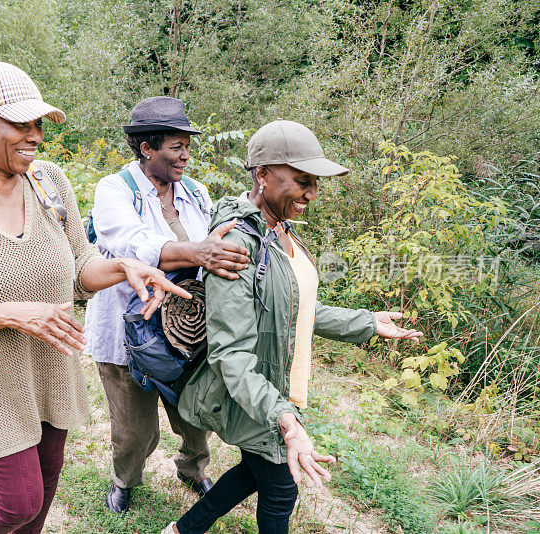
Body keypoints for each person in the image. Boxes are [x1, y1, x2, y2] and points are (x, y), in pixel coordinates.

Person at [0, 61, 188, 534]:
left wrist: (122, 266)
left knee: (44, 491)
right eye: (20, 124)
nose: (35, 136)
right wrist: (9, 314)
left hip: (52, 370)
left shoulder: (49, 184)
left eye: (38, 124)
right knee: (17, 501)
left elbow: (79, 268)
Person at [162, 120, 424, 534]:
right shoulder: (238, 245)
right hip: (257, 392)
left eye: (315, 183)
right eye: (302, 181)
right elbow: (230, 353)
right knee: (281, 489)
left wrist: (366, 323)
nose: (312, 194)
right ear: (262, 174)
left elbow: (296, 308)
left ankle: (182, 530)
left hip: (279, 385)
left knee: (255, 471)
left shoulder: (280, 230)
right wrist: (284, 417)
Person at [84, 96, 252, 513]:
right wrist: (200, 253)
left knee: (197, 413)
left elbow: (216, 241)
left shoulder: (196, 192)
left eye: (187, 146)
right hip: (131, 331)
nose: (186, 156)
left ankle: (193, 469)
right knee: (133, 427)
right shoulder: (114, 190)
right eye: (177, 147)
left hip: (189, 329)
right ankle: (125, 479)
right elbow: (134, 246)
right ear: (146, 148)